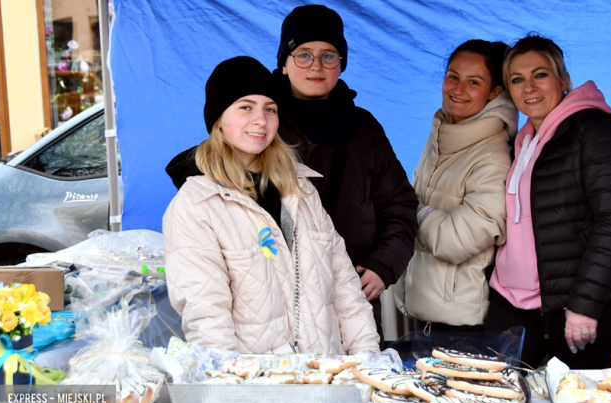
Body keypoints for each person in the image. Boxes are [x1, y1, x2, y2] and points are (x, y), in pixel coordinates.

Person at [166, 5, 418, 346]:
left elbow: (399, 205)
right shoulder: (230, 165)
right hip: (265, 332)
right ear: (283, 64)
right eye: (303, 54)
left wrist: (384, 265)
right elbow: (208, 311)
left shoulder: (360, 133)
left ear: (341, 64)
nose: (316, 65)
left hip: (343, 302)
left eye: (328, 55)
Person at [163, 56, 379, 355]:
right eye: (245, 107)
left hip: (327, 378)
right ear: (219, 119)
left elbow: (346, 291)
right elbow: (207, 318)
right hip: (258, 388)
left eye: (270, 109)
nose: (261, 120)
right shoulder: (197, 205)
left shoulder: (300, 189)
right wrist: (233, 388)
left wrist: (368, 362)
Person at [484, 34, 611, 369]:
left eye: (540, 75)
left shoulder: (596, 128)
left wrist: (584, 306)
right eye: (517, 80)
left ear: (564, 80)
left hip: (576, 306)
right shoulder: (524, 138)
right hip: (514, 302)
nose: (528, 87)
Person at [395, 40, 517, 336]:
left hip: (462, 324)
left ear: (494, 92)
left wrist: (405, 209)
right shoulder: (442, 131)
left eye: (473, 82)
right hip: (423, 310)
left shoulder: (493, 157)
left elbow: (455, 240)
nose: (457, 89)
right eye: (453, 76)